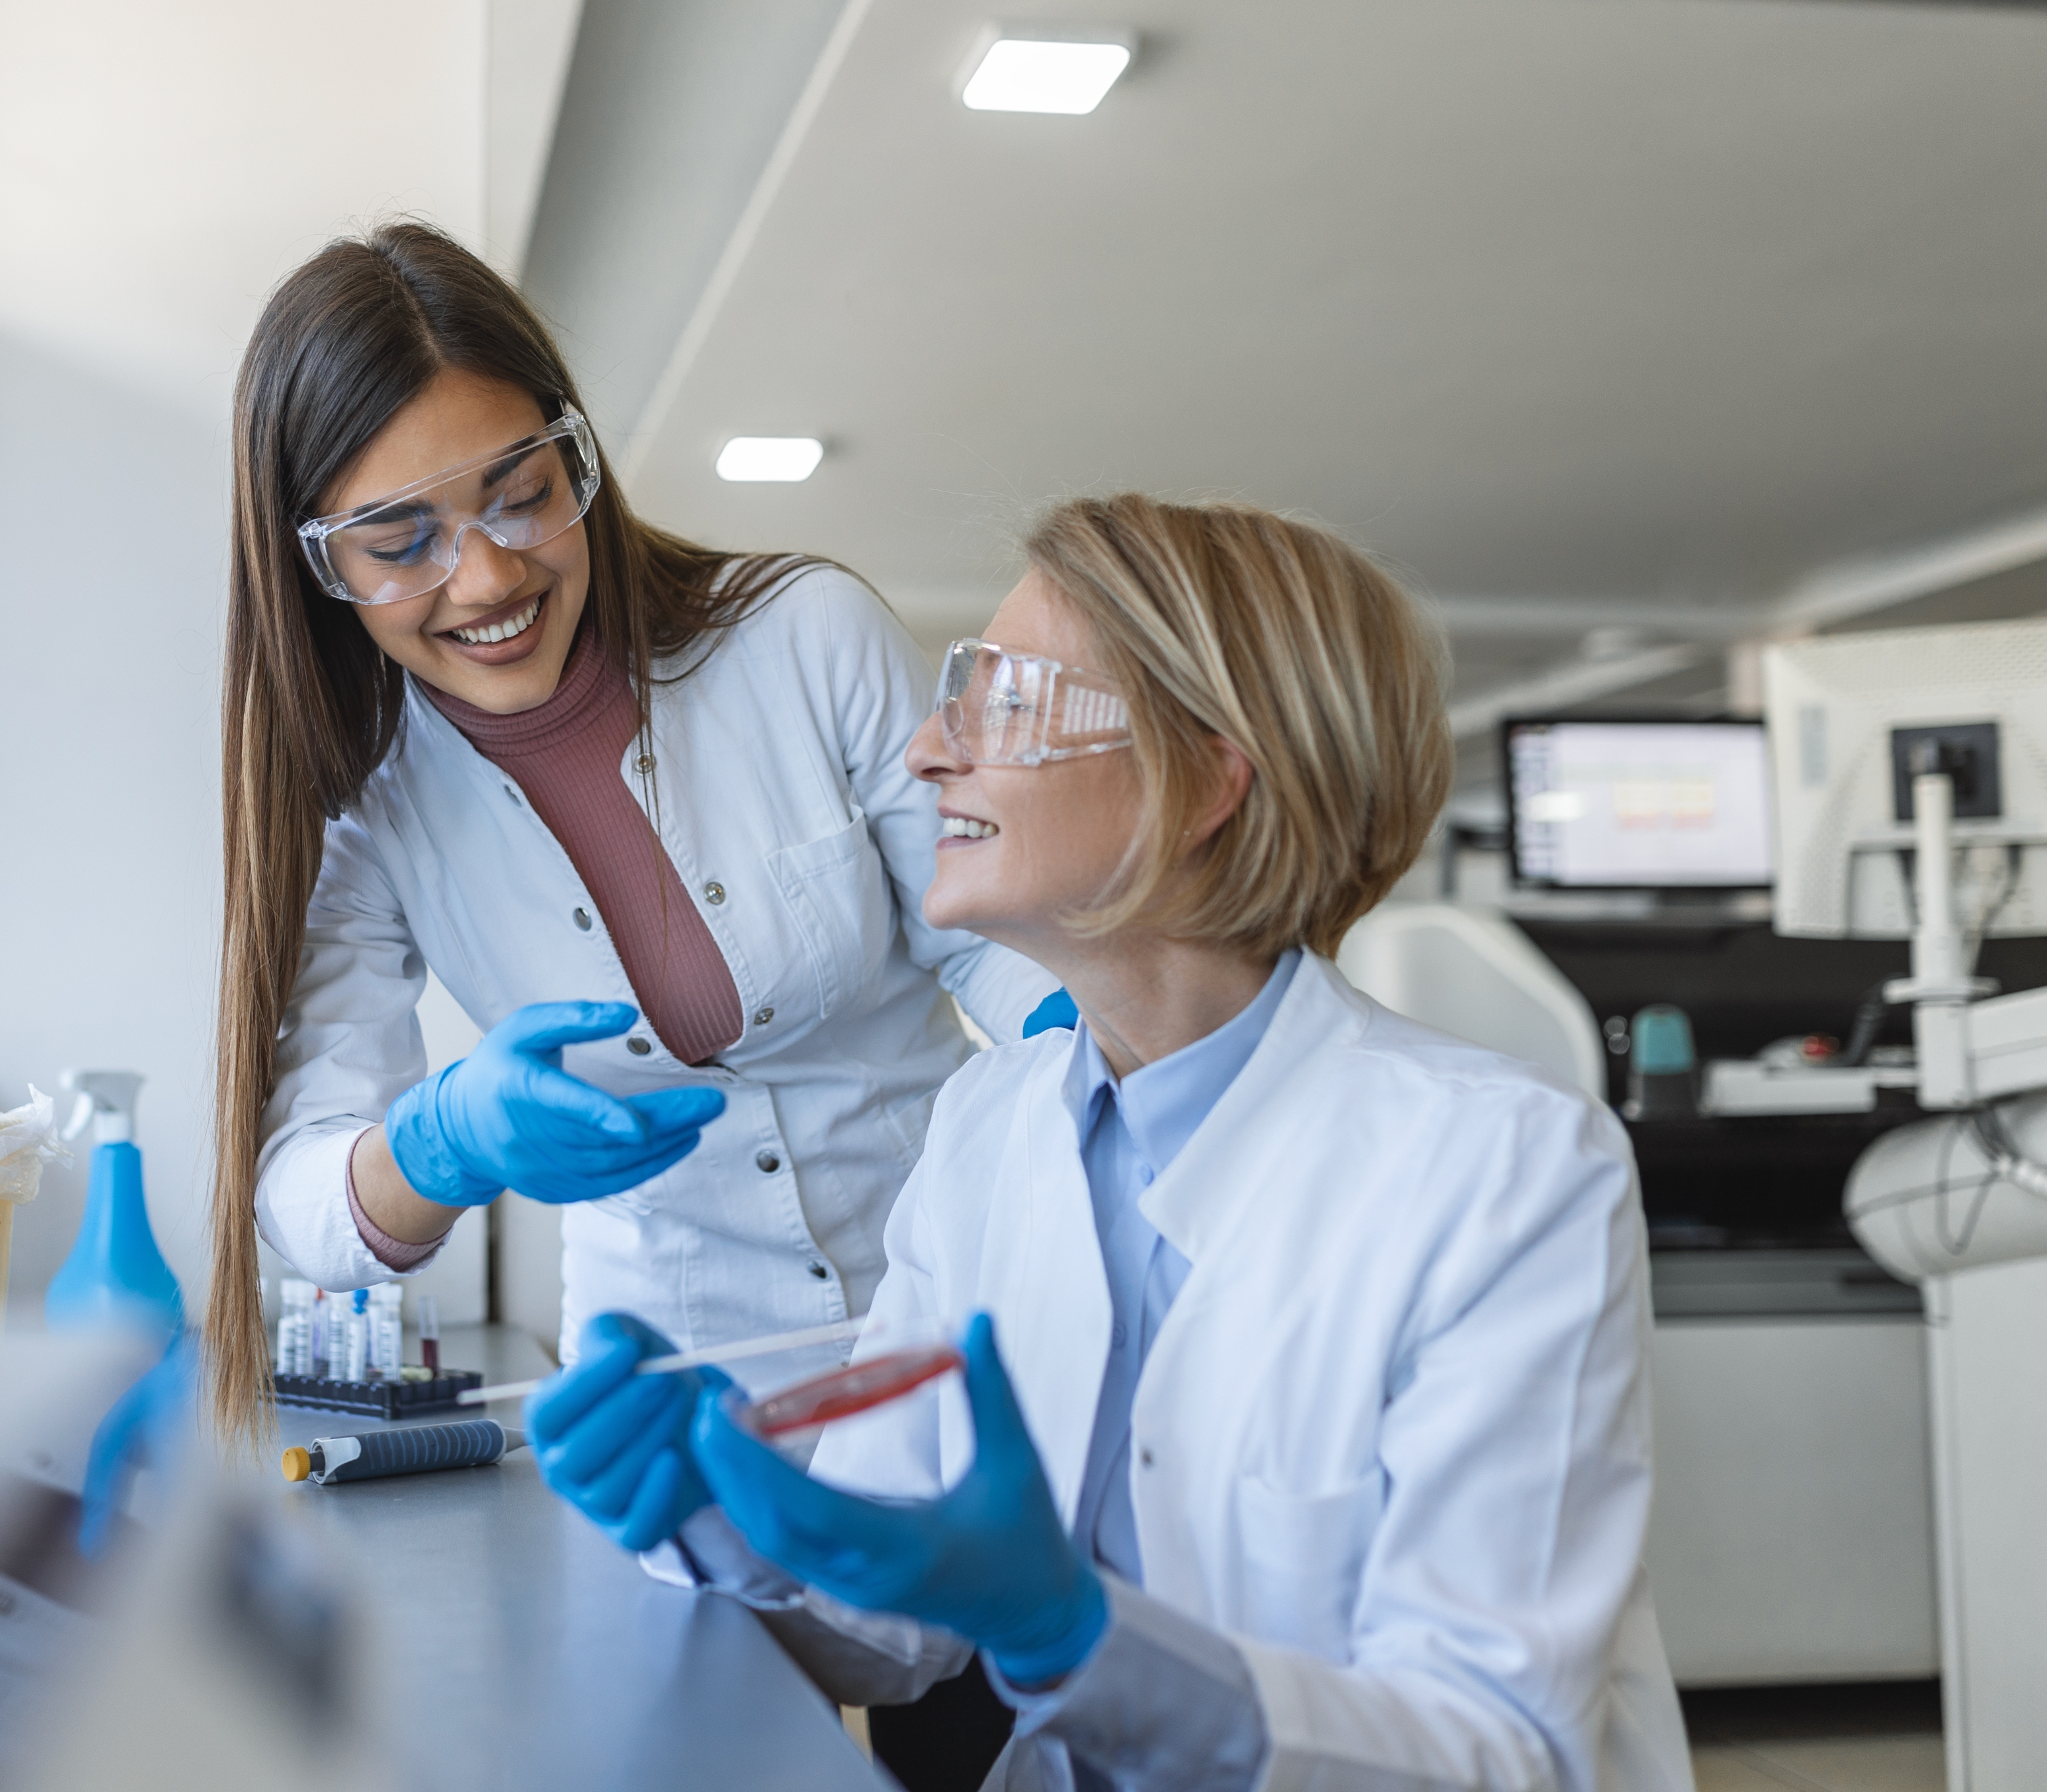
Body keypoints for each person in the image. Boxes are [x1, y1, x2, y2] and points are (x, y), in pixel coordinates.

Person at [528, 496, 1691, 1790]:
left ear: (1204, 779)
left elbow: (1500, 1752)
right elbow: (897, 1636)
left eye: (1000, 700)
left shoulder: (1506, 1169)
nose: (923, 752)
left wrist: (1075, 1638)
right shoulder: (987, 1124)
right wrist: (737, 1524)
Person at [206, 223, 1056, 1442]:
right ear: (315, 568)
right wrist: (444, 1144)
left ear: (579, 462)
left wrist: (1114, 1039)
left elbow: (995, 937)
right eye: (401, 544)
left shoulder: (804, 636)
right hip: (679, 1391)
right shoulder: (363, 805)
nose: (489, 577)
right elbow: (304, 1191)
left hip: (966, 1312)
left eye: (522, 497)